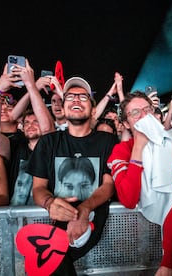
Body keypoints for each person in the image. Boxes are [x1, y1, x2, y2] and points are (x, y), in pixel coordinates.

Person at [27, 76, 118, 275]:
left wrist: (85, 209)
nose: (76, 100)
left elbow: (108, 184)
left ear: (93, 109)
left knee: (51, 261)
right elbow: (38, 188)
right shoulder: (48, 142)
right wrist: (50, 203)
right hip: (54, 222)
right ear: (63, 106)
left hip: (94, 217)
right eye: (70, 97)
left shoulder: (108, 141)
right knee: (50, 261)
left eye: (83, 97)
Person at [107, 91, 172, 276]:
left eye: (147, 110)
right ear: (126, 124)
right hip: (126, 241)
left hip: (164, 246)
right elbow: (128, 200)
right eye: (135, 113)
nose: (144, 116)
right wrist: (138, 148)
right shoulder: (120, 150)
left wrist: (168, 261)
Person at [0, 59, 55, 205]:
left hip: (47, 214)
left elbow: (47, 128)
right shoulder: (16, 146)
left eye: (36, 122)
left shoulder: (55, 146)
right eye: (27, 122)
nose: (30, 125)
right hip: (16, 218)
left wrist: (31, 85)